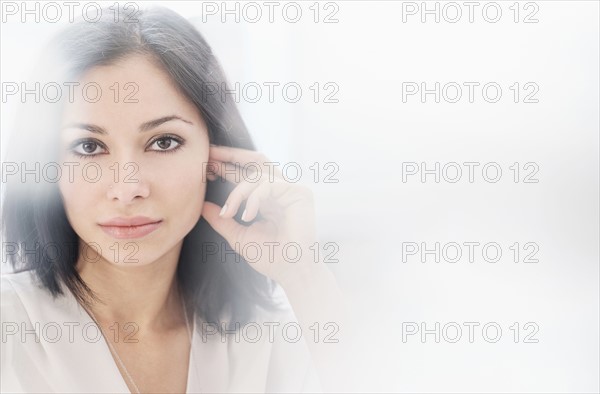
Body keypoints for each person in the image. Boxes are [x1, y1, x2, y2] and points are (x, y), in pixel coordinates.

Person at [1, 5, 351, 393]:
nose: (127, 187)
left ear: (215, 153)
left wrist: (304, 276)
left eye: (163, 142)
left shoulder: (269, 334)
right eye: (88, 146)